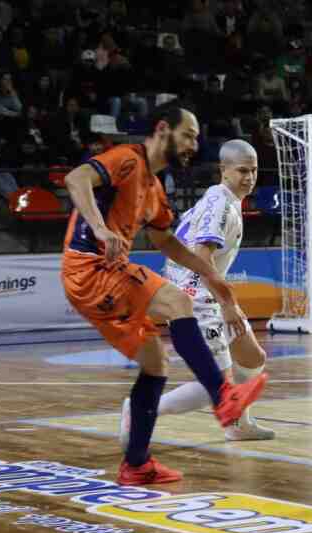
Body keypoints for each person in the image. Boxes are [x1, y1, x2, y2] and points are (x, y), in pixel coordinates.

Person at [61, 103, 268, 486]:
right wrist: (100, 229)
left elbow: (168, 243)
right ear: (162, 130)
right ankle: (224, 398)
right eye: (188, 134)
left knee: (157, 364)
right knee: (178, 301)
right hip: (88, 266)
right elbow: (76, 179)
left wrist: (218, 284)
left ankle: (136, 464)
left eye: (196, 138)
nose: (193, 143)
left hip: (107, 273)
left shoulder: (155, 191)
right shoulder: (126, 159)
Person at [119, 139, 274, 445]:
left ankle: (237, 425)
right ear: (223, 169)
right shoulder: (219, 205)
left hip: (202, 290)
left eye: (254, 171)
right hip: (196, 296)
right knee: (216, 385)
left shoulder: (225, 200)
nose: (250, 177)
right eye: (242, 170)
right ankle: (139, 410)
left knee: (253, 357)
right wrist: (227, 303)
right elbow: (202, 258)